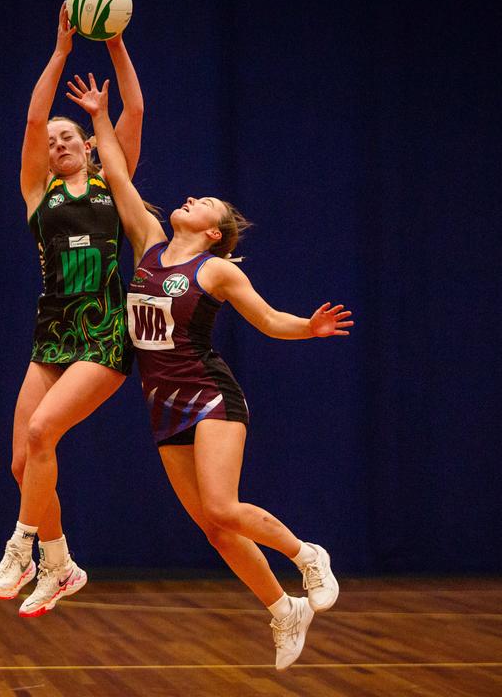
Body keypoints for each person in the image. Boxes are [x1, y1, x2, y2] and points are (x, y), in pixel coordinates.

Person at [66, 73, 348, 670]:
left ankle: (307, 554)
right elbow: (116, 174)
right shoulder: (146, 240)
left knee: (223, 509)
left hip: (211, 397)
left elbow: (270, 321)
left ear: (213, 232)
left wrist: (310, 327)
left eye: (205, 204)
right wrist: (98, 115)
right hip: (161, 406)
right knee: (215, 530)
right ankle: (283, 610)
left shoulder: (216, 271)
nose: (191, 200)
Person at [0, 6, 158, 619]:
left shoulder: (115, 183)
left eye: (66, 137)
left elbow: (134, 113)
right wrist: (58, 52)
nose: (56, 143)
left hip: (105, 333)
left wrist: (114, 44)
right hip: (52, 332)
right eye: (50, 141)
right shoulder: (38, 194)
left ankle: (21, 550)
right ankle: (60, 564)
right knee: (21, 462)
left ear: (86, 145)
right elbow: (33, 117)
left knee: (40, 433)